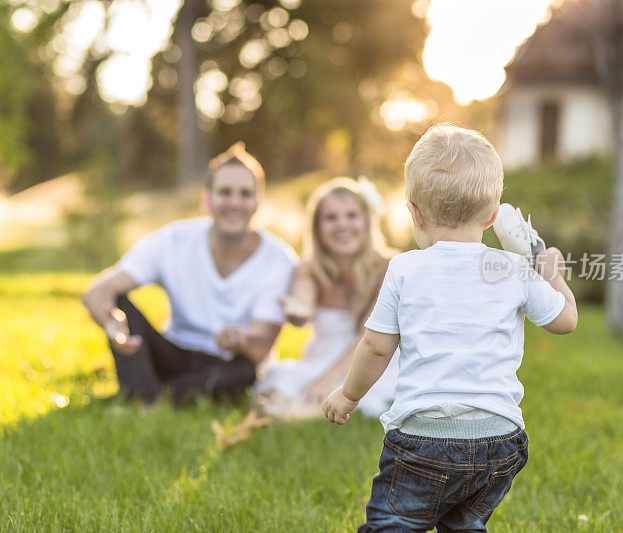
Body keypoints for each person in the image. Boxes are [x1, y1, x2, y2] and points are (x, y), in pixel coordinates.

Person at [323, 124, 578, 532]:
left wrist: (348, 394)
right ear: (494, 216)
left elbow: (375, 346)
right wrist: (554, 276)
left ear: (414, 212)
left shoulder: (404, 269)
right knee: (464, 525)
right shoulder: (512, 269)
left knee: (394, 522)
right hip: (500, 440)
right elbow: (566, 321)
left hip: (423, 440)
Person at [82, 143, 297, 406]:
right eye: (225, 192)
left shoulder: (280, 261)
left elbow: (260, 350)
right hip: (173, 353)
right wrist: (112, 324)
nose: (235, 202)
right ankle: (154, 396)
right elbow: (96, 292)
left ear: (257, 203)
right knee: (120, 302)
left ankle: (148, 396)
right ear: (206, 199)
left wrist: (240, 340)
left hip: (227, 364)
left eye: (245, 194)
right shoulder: (173, 240)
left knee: (244, 371)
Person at [254, 177, 399, 419]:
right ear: (318, 228)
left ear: (366, 221)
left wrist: (328, 380)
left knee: (334, 398)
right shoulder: (308, 270)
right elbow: (303, 303)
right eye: (331, 218)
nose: (342, 224)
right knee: (281, 379)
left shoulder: (390, 267)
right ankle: (282, 414)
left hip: (371, 362)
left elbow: (369, 339)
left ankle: (288, 417)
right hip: (319, 360)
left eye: (351, 216)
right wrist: (298, 311)